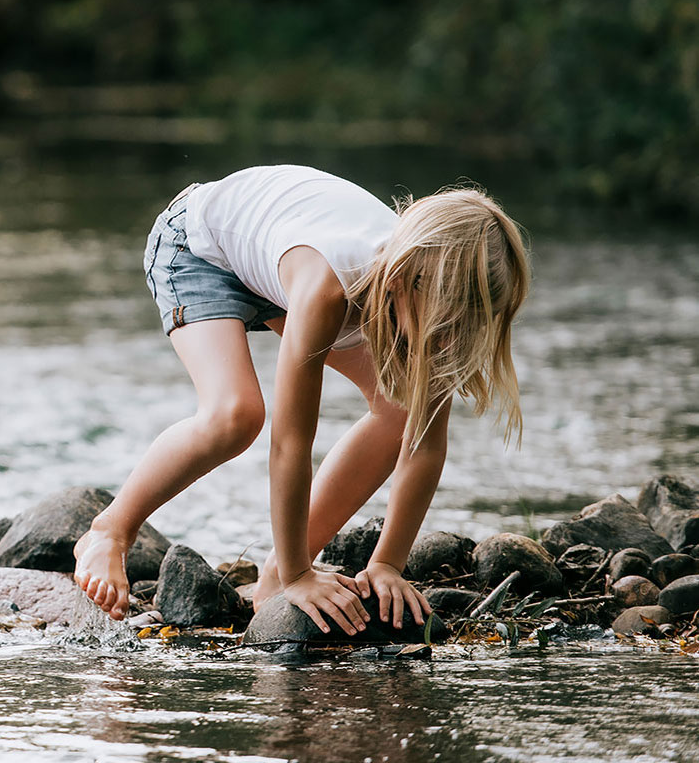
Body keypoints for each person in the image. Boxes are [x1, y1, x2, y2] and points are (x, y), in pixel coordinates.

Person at [72, 164, 530, 633]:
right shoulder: (326, 287)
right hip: (200, 247)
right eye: (445, 323)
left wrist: (387, 564)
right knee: (236, 416)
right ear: (405, 278)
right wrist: (300, 577)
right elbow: (291, 442)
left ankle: (274, 571)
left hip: (277, 254)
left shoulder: (418, 297)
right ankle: (111, 530)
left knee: (400, 410)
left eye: (468, 325)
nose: (450, 340)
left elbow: (425, 445)